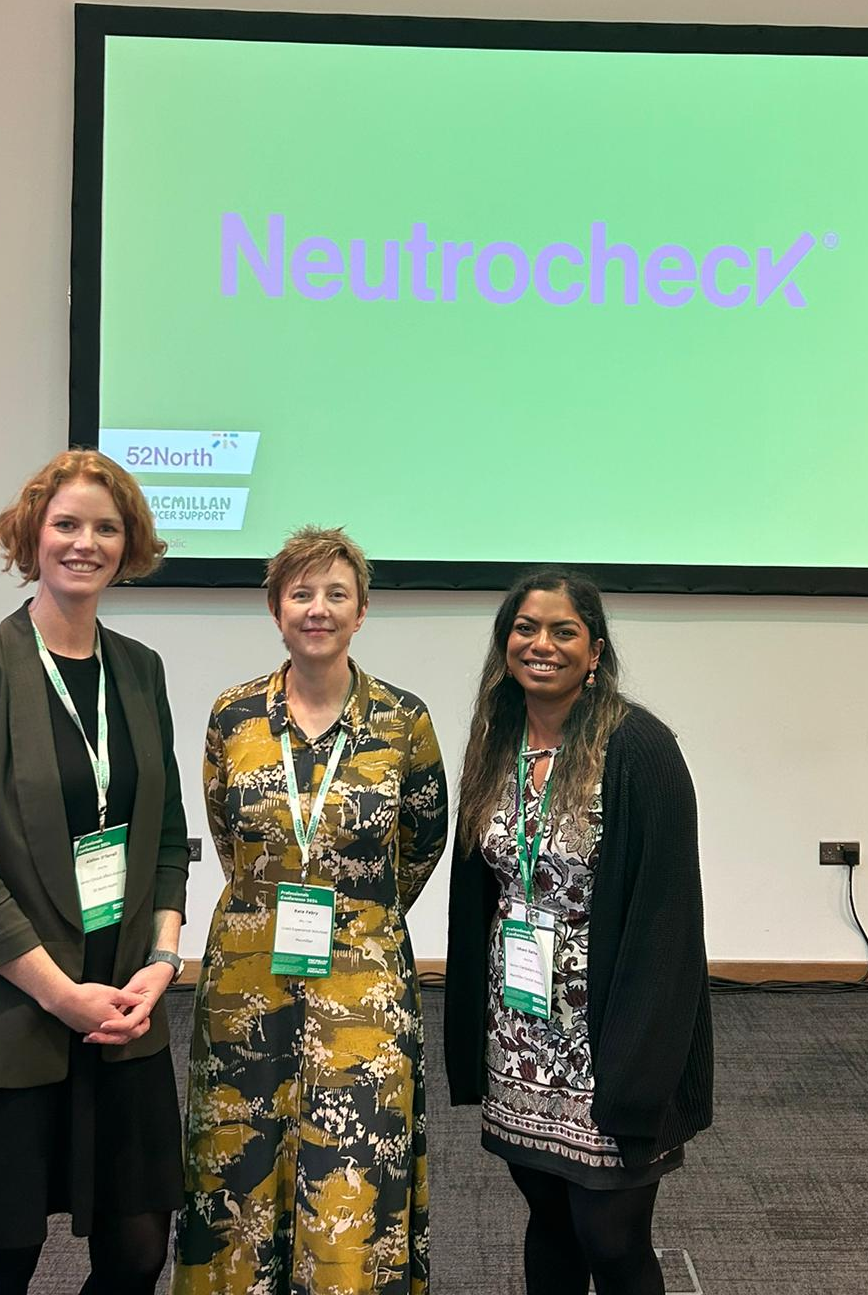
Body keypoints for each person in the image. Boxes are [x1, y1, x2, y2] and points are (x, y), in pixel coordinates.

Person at [0, 449, 191, 1294]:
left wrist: (162, 963)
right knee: (2, 1258)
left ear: (127, 544)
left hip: (124, 1007)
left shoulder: (140, 670)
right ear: (33, 534)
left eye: (106, 527)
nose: (85, 543)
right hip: (11, 1008)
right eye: (67, 524)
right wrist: (61, 994)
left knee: (138, 1250)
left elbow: (166, 835)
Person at [173, 526, 448, 1295]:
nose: (317, 609)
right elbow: (232, 843)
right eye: (301, 593)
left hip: (363, 987)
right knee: (240, 1169)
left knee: (353, 1170)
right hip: (246, 985)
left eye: (336, 594)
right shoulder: (233, 717)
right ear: (276, 609)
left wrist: (358, 919)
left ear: (362, 612)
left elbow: (419, 849)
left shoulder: (403, 721)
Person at [444, 570, 712, 1295]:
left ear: (594, 651)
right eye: (526, 628)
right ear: (505, 646)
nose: (543, 645)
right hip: (521, 1032)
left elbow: (669, 925)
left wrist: (639, 1075)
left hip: (610, 1041)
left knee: (612, 1237)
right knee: (551, 1220)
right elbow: (484, 892)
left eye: (564, 631)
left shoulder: (641, 749)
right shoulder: (496, 744)